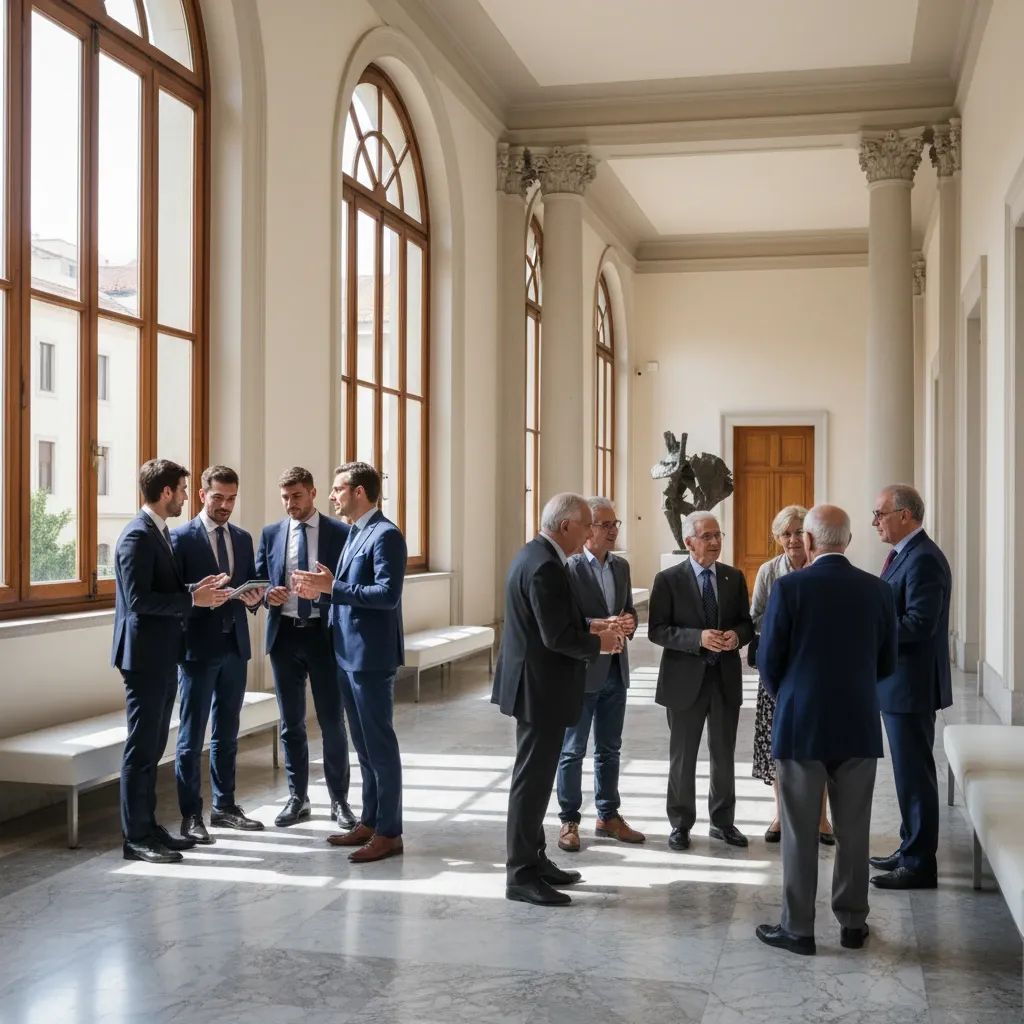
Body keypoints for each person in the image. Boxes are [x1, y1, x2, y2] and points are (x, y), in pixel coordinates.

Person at [754, 504, 897, 956]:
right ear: (848, 542)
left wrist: (793, 696)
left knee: (799, 828)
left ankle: (799, 929)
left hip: (801, 722)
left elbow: (768, 661)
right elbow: (887, 662)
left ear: (810, 542)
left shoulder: (790, 587)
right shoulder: (877, 590)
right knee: (854, 829)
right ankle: (853, 924)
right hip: (857, 720)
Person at [492, 493, 622, 906]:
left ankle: (536, 858)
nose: (589, 533)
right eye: (586, 526)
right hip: (539, 689)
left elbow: (549, 619)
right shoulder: (546, 565)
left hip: (535, 685)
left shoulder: (535, 555)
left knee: (536, 780)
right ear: (566, 526)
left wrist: (589, 622)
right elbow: (556, 637)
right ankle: (521, 874)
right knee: (530, 785)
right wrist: (598, 641)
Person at [112, 459, 229, 863]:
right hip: (143, 658)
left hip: (162, 656)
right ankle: (136, 837)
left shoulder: (156, 533)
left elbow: (159, 588)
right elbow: (139, 600)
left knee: (153, 747)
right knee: (141, 749)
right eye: (181, 489)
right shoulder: (136, 536)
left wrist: (196, 587)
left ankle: (149, 828)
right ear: (165, 493)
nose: (184, 496)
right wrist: (191, 599)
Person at [292, 462, 407, 863]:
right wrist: (322, 588)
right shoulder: (357, 533)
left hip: (371, 658)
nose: (331, 496)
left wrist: (333, 587)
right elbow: (347, 592)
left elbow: (387, 595)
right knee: (363, 745)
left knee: (379, 745)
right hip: (346, 653)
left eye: (338, 489)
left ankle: (390, 832)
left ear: (360, 492)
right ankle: (372, 820)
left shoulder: (386, 534)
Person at [255, 467, 355, 830]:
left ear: (312, 493)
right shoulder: (271, 534)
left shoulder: (341, 533)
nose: (290, 504)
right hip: (284, 636)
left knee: (332, 721)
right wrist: (270, 594)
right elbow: (259, 581)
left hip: (324, 636)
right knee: (291, 723)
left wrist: (327, 589)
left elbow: (348, 585)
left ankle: (340, 801)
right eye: (284, 498)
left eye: (296, 496)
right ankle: (298, 797)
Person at [172, 466, 266, 843]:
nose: (225, 505)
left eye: (231, 499)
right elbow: (175, 596)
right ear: (201, 495)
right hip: (197, 650)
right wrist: (197, 597)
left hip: (235, 648)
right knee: (191, 737)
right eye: (218, 498)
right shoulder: (179, 539)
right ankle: (190, 815)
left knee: (227, 732)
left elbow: (251, 583)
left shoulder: (242, 539)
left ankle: (224, 807)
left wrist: (255, 598)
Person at [649, 511, 753, 850]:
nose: (715, 542)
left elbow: (745, 623)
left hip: (724, 680)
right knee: (683, 756)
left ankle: (723, 823)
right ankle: (680, 824)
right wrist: (697, 638)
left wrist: (736, 638)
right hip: (684, 682)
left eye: (718, 535)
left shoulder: (733, 577)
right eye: (707, 536)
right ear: (688, 542)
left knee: (723, 754)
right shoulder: (668, 580)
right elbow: (657, 630)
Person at [869, 484, 952, 890]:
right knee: (906, 773)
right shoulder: (906, 554)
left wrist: (873, 636)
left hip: (911, 685)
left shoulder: (923, 560)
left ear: (905, 515)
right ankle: (908, 847)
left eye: (880, 513)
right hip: (899, 683)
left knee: (915, 774)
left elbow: (921, 623)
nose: (875, 522)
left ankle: (920, 864)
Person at [557, 497, 644, 852]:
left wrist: (628, 622)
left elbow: (629, 612)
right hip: (582, 671)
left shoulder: (621, 567)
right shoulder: (570, 568)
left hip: (615, 671)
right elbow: (564, 623)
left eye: (615, 524)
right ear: (587, 528)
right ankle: (569, 820)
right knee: (573, 749)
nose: (612, 531)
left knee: (610, 748)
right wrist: (597, 626)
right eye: (605, 525)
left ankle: (608, 815)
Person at [750, 505, 833, 845]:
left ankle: (822, 817)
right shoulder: (769, 571)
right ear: (777, 539)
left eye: (799, 532)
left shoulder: (823, 569)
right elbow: (755, 617)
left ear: (810, 535)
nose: (793, 539)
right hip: (780, 669)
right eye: (786, 534)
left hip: (817, 670)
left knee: (821, 743)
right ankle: (780, 813)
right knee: (777, 745)